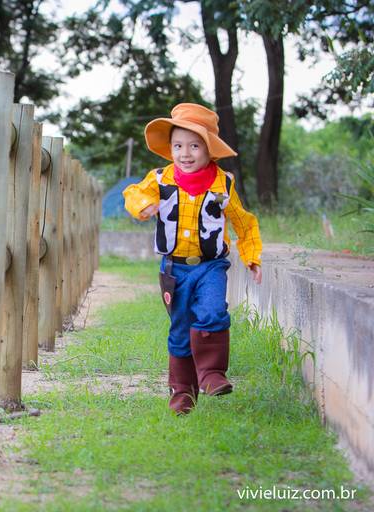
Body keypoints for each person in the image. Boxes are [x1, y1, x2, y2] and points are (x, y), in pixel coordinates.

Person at [123, 103, 263, 414]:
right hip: (174, 268)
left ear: (209, 150)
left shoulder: (223, 184)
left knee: (213, 311)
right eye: (178, 146)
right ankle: (182, 391)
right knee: (180, 326)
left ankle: (212, 373)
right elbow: (132, 193)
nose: (185, 153)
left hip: (211, 266)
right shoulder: (160, 179)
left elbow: (244, 222)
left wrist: (251, 256)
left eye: (194, 146)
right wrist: (144, 205)